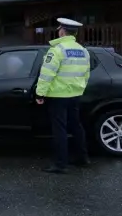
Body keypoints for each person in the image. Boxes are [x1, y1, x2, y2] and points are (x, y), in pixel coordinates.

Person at [35, 18, 91, 174]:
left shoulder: (57, 50)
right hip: (75, 94)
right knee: (76, 126)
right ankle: (82, 158)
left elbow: (46, 75)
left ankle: (60, 164)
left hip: (58, 96)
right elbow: (86, 74)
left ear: (62, 31)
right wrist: (80, 89)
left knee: (60, 129)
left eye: (59, 28)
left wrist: (40, 93)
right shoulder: (83, 50)